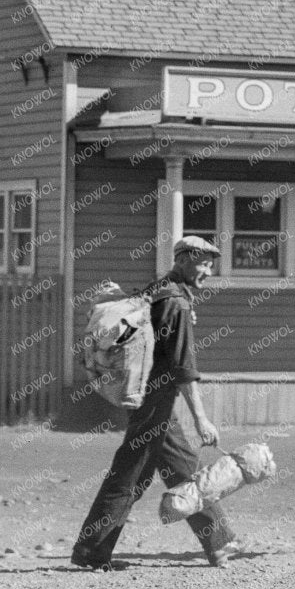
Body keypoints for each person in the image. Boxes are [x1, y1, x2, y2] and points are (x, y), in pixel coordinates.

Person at [72, 234, 241, 569]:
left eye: (210, 264)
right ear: (182, 260)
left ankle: (218, 542)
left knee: (182, 466)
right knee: (130, 475)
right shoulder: (176, 302)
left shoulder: (157, 288)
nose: (207, 271)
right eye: (203, 263)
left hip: (148, 395)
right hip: (155, 400)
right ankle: (91, 551)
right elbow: (183, 369)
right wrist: (201, 419)